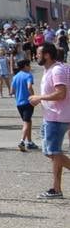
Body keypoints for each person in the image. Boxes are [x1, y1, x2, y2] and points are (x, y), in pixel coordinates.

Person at [28, 42, 70, 198]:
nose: (36, 56)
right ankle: (56, 189)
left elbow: (61, 94)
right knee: (52, 153)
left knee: (53, 152)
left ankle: (56, 189)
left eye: (38, 53)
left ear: (47, 55)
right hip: (53, 116)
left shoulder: (57, 70)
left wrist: (39, 97)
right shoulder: (53, 69)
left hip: (56, 117)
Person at [12, 58, 36, 151]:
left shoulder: (15, 76)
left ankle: (29, 142)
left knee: (28, 121)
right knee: (26, 122)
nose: (30, 67)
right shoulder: (28, 75)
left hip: (19, 103)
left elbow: (12, 91)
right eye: (29, 65)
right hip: (27, 102)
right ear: (25, 66)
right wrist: (33, 96)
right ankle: (22, 141)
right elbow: (29, 86)